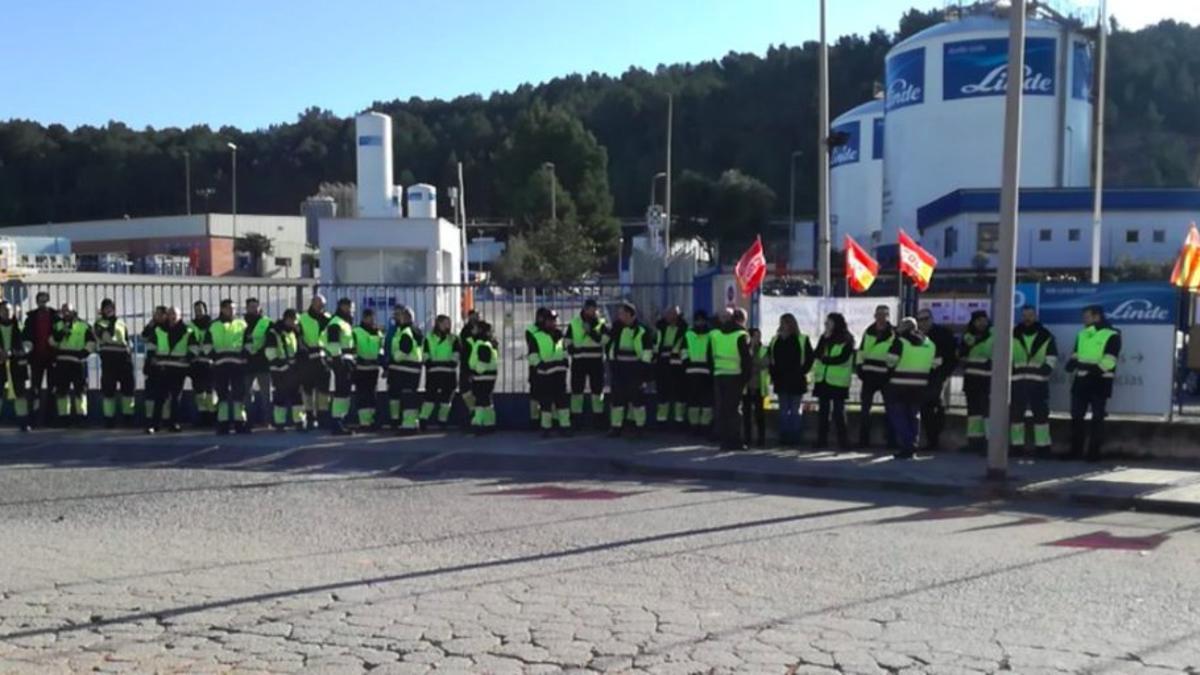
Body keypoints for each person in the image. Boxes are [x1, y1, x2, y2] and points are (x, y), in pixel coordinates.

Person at [1066, 305, 1121, 462]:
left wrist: (1086, 368)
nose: (1084, 320)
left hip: (1099, 383)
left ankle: (1093, 453)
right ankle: (1075, 451)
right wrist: (1071, 363)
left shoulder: (1112, 335)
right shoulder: (1082, 334)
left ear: (1097, 317)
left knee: (1097, 419)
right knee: (1076, 417)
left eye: (1087, 317)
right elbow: (1076, 354)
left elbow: (1109, 361)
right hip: (1081, 383)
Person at [885, 317, 941, 460]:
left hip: (899, 384)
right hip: (920, 385)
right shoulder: (930, 343)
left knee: (899, 416)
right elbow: (936, 363)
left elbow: (890, 362)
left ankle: (907, 445)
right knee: (914, 416)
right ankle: (913, 445)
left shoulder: (900, 342)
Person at [1011, 306, 1058, 458]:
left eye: (1030, 315)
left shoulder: (1046, 335)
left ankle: (1043, 448)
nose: (1027, 318)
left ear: (1036, 316)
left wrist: (1046, 369)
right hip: (1017, 381)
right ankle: (1016, 447)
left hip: (1039, 382)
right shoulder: (1013, 333)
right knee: (1016, 416)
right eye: (1024, 315)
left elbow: (1052, 356)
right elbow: (1005, 353)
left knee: (1041, 417)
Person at [607, 302, 654, 437]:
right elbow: (610, 347)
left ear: (630, 315)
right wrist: (613, 365)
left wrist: (643, 372)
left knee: (637, 400)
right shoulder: (616, 328)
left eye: (622, 313)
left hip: (635, 370)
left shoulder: (643, 330)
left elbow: (647, 352)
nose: (619, 316)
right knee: (617, 401)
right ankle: (616, 427)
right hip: (619, 369)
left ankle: (640, 427)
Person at [768, 313, 813, 447]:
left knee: (794, 410)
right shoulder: (775, 340)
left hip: (796, 380)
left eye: (785, 323)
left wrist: (802, 372)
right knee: (783, 410)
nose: (783, 326)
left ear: (792, 324)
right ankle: (784, 436)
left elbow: (809, 358)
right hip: (781, 380)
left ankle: (794, 437)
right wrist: (774, 374)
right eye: (782, 323)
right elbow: (771, 359)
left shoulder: (802, 339)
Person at [812, 313, 855, 450]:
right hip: (823, 379)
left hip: (838, 381)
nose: (826, 324)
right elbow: (817, 353)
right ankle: (821, 440)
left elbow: (843, 358)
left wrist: (826, 360)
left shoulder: (847, 339)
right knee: (823, 412)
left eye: (828, 322)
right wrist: (824, 337)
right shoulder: (824, 337)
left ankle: (843, 442)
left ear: (836, 323)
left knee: (838, 412)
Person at [711, 307, 752, 451]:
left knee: (722, 409)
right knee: (734, 411)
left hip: (719, 375)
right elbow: (747, 360)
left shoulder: (716, 334)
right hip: (735, 376)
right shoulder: (741, 334)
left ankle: (724, 441)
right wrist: (745, 379)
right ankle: (735, 441)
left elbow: (711, 355)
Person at [207, 299, 249, 435]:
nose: (232, 311)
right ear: (222, 309)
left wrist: (245, 356)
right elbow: (206, 345)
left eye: (234, 308)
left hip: (238, 365)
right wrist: (214, 356)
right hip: (220, 365)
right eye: (230, 308)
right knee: (222, 395)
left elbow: (248, 342)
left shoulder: (242, 324)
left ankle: (239, 423)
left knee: (239, 394)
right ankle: (223, 424)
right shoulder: (213, 325)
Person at [916, 308, 957, 451]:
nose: (923, 322)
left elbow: (951, 356)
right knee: (925, 408)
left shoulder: (942, 334)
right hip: (920, 376)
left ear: (932, 319)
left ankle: (934, 439)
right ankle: (931, 440)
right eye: (920, 320)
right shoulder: (916, 336)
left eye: (926, 319)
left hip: (938, 376)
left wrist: (944, 373)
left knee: (933, 406)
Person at [856, 305, 896, 449]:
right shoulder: (868, 332)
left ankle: (891, 441)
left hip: (885, 376)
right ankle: (863, 441)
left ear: (888, 316)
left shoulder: (893, 333)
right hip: (869, 376)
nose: (881, 317)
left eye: (884, 314)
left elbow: (896, 354)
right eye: (878, 314)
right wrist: (860, 369)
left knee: (890, 410)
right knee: (865, 410)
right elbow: (861, 352)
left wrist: (891, 372)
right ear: (874, 315)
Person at [147, 306, 190, 434]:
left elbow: (193, 347)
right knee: (159, 397)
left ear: (180, 316)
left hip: (178, 368)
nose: (172, 317)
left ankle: (174, 423)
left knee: (176, 398)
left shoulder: (187, 331)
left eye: (175, 315)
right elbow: (151, 345)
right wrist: (151, 357)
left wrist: (188, 358)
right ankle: (155, 424)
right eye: (170, 314)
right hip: (163, 367)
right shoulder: (159, 330)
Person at [50, 303, 95, 427]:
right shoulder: (57, 325)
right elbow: (51, 342)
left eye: (68, 311)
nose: (66, 313)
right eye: (63, 311)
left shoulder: (83, 325)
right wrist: (61, 333)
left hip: (78, 363)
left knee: (80, 391)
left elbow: (91, 342)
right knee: (61, 392)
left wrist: (83, 354)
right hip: (62, 363)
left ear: (73, 311)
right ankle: (63, 418)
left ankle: (82, 418)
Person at [566, 299, 608, 428]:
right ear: (584, 309)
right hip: (579, 361)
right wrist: (572, 351)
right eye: (590, 309)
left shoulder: (601, 323)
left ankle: (598, 417)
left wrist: (591, 332)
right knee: (577, 389)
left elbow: (605, 340)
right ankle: (576, 418)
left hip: (596, 361)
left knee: (597, 389)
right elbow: (567, 340)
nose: (592, 311)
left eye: (594, 309)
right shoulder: (574, 322)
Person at [94, 298, 135, 428]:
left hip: (124, 360)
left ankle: (128, 419)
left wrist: (129, 347)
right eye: (106, 308)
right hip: (109, 360)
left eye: (110, 307)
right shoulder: (99, 323)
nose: (109, 310)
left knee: (128, 390)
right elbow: (107, 337)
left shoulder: (121, 322)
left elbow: (127, 340)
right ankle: (109, 419)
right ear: (102, 310)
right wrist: (111, 321)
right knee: (108, 391)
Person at [530, 309, 571, 437]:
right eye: (551, 320)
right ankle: (546, 428)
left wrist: (565, 361)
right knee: (546, 403)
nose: (554, 323)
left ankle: (565, 427)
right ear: (544, 321)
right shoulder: (537, 336)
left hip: (559, 374)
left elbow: (564, 351)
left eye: (555, 320)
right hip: (545, 375)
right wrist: (542, 366)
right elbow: (533, 356)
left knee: (562, 402)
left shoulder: (559, 335)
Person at [958, 310, 994, 454]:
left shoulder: (994, 334)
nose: (981, 323)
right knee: (973, 414)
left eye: (983, 320)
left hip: (988, 379)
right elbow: (960, 355)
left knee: (988, 413)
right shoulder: (967, 336)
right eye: (978, 320)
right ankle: (974, 443)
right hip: (971, 380)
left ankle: (989, 443)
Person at [386, 305, 423, 432]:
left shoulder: (406, 331)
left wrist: (393, 358)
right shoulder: (409, 330)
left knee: (407, 398)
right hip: (409, 369)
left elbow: (405, 349)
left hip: (406, 369)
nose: (396, 317)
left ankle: (409, 425)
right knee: (408, 396)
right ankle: (408, 422)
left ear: (405, 317)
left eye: (399, 315)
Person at [265, 309, 304, 431]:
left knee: (296, 396)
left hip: (292, 369)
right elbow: (270, 353)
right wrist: (283, 366)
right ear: (288, 319)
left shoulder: (293, 333)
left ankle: (299, 422)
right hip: (279, 370)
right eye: (294, 320)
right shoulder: (274, 332)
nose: (296, 323)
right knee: (280, 396)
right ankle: (279, 423)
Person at [297, 295, 331, 430]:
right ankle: (310, 417)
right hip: (307, 360)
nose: (321, 307)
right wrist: (305, 351)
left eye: (322, 304)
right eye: (319, 304)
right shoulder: (302, 318)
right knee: (307, 390)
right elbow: (299, 337)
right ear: (312, 303)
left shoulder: (328, 318)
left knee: (323, 390)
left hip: (323, 359)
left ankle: (323, 417)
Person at [324, 298, 357, 435]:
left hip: (347, 361)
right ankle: (337, 422)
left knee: (344, 392)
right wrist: (338, 362)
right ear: (343, 307)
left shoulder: (344, 322)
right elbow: (333, 344)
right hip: (342, 361)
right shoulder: (336, 323)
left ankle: (341, 420)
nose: (351, 309)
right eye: (350, 307)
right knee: (340, 392)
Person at [421, 314, 460, 429]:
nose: (448, 326)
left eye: (449, 323)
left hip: (448, 374)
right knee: (429, 399)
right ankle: (423, 419)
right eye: (445, 323)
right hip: (434, 374)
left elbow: (456, 357)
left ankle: (442, 421)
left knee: (446, 400)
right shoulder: (429, 338)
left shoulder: (454, 339)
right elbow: (425, 356)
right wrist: (432, 363)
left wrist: (438, 363)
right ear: (438, 324)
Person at [654, 306, 688, 426]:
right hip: (662, 365)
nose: (671, 316)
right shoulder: (660, 328)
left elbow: (684, 348)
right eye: (669, 314)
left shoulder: (684, 329)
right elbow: (656, 345)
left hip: (678, 366)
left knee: (679, 394)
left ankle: (679, 422)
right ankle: (661, 421)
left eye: (674, 314)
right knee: (662, 394)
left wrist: (685, 364)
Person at [0, 302, 32, 431]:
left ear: (13, 311)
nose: (6, 313)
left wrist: (12, 353)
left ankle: (23, 422)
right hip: (1, 364)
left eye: (8, 310)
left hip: (17, 364)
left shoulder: (21, 326)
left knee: (20, 395)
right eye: (3, 310)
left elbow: (28, 345)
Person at [681, 310, 714, 434]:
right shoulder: (688, 334)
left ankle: (705, 427)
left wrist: (711, 368)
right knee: (693, 402)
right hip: (691, 373)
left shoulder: (711, 335)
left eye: (701, 320)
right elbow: (683, 352)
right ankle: (693, 426)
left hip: (706, 373)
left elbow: (713, 353)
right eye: (697, 320)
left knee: (706, 403)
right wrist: (686, 366)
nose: (699, 322)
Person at [243, 298, 273, 427]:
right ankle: (249, 420)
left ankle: (267, 420)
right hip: (247, 363)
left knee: (266, 394)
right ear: (247, 308)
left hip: (263, 362)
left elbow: (272, 339)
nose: (254, 309)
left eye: (256, 306)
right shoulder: (242, 323)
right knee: (246, 394)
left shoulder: (266, 322)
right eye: (251, 307)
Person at [352, 308, 384, 431]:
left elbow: (381, 350)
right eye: (369, 317)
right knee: (362, 395)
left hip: (373, 368)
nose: (371, 320)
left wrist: (383, 365)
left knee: (372, 395)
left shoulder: (377, 333)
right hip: (361, 368)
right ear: (364, 318)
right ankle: (364, 422)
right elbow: (353, 348)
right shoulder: (356, 331)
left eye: (372, 317)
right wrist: (356, 362)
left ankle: (371, 420)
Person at [188, 301, 216, 426]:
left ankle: (213, 416)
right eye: (196, 310)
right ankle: (203, 416)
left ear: (205, 310)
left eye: (200, 309)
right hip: (196, 363)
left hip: (209, 363)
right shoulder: (190, 325)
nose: (198, 312)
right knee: (199, 391)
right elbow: (188, 342)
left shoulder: (212, 325)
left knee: (210, 391)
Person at [468, 321, 499, 433]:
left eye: (475, 328)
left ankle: (477, 422)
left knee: (480, 401)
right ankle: (489, 423)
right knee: (486, 401)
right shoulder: (490, 343)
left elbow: (482, 362)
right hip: (489, 377)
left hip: (481, 377)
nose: (473, 331)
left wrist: (475, 371)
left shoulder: (482, 344)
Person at [743, 328, 769, 448]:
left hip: (760, 386)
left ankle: (761, 439)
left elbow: (764, 363)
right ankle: (747, 438)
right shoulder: (745, 349)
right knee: (746, 414)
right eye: (755, 336)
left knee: (760, 415)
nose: (757, 338)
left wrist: (753, 364)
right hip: (747, 386)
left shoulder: (764, 349)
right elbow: (744, 364)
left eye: (759, 336)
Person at [140, 306, 166, 424]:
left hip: (164, 364)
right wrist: (150, 326)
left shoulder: (168, 328)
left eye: (160, 314)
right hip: (151, 364)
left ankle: (166, 418)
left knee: (166, 393)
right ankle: (149, 418)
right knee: (150, 392)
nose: (157, 316)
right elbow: (143, 337)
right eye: (156, 314)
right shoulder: (152, 327)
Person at [525, 308, 550, 427]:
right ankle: (534, 419)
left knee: (549, 392)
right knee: (535, 393)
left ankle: (549, 419)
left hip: (549, 365)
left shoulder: (550, 329)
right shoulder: (531, 330)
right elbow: (533, 344)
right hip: (535, 365)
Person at [458, 310, 480, 415]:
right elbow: (464, 345)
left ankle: (477, 413)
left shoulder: (482, 329)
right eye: (472, 316)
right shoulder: (465, 330)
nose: (474, 319)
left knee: (479, 390)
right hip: (466, 364)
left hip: (479, 365)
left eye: (476, 316)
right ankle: (473, 410)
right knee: (465, 388)